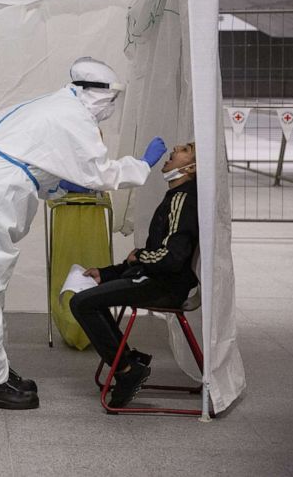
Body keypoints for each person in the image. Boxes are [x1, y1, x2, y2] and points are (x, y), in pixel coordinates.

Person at [0, 56, 167, 410]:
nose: (109, 110)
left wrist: (54, 183)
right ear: (96, 95)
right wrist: (141, 165)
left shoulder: (53, 104)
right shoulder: (73, 116)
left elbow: (32, 155)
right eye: (110, 102)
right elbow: (101, 174)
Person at [70, 142, 199, 408]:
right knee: (89, 297)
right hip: (154, 277)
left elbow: (170, 258)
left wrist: (139, 257)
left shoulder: (183, 199)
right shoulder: (175, 196)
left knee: (81, 303)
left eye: (185, 149)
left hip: (164, 285)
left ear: (191, 167)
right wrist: (106, 274)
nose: (175, 148)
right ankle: (129, 360)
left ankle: (127, 370)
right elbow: (151, 256)